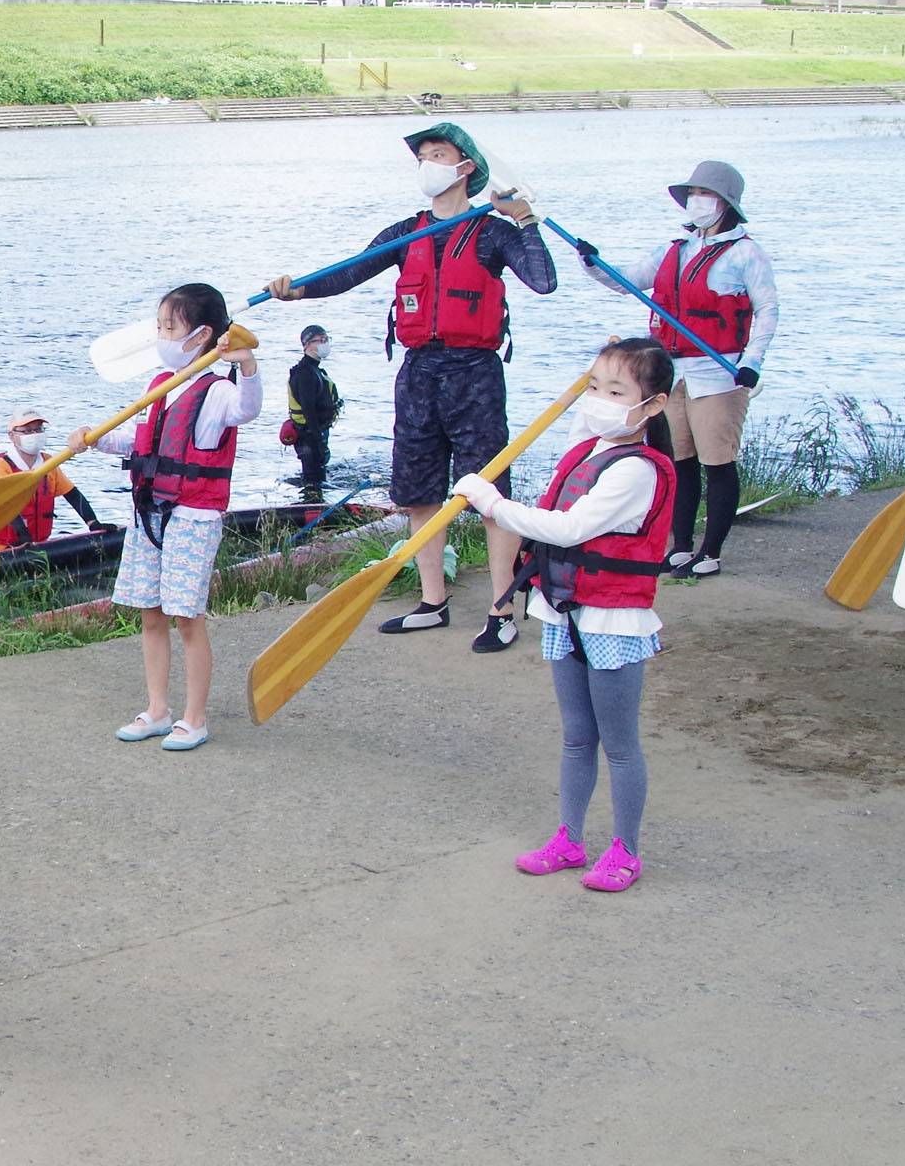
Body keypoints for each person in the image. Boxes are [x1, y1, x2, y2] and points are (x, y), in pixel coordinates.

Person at [266, 122, 555, 651]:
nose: (427, 164)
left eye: (437, 154)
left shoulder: (493, 232)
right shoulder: (407, 231)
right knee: (418, 493)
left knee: (489, 494)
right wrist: (296, 290)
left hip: (475, 375)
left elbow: (543, 280)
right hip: (418, 372)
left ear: (465, 167)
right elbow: (347, 273)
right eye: (422, 156)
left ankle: (501, 609)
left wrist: (528, 221)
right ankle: (432, 601)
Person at [461, 337, 677, 895]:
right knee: (577, 738)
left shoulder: (638, 472)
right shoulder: (589, 449)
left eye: (617, 391)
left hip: (613, 623)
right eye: (595, 388)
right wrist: (600, 368)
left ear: (652, 406)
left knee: (619, 742)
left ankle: (627, 850)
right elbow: (584, 422)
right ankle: (570, 838)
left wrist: (491, 501)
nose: (600, 400)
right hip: (565, 611)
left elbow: (569, 529)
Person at [572, 160, 780, 578]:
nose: (695, 202)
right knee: (679, 461)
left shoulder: (747, 253)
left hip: (719, 373)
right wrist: (592, 262)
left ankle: (712, 551)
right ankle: (681, 546)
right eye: (691, 195)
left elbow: (767, 310)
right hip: (672, 371)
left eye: (704, 195)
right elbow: (626, 280)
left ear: (725, 204)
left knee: (717, 462)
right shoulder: (674, 249)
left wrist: (751, 364)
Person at [87, 284, 260, 752]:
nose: (160, 335)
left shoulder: (218, 389)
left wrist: (246, 363)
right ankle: (158, 709)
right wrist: (95, 439)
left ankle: (194, 718)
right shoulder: (159, 386)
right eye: (159, 326)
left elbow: (249, 409)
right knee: (150, 612)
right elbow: (139, 441)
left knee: (187, 618)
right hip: (149, 512)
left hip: (193, 516)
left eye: (170, 327)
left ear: (201, 335)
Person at [0, 410, 102, 549]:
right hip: (4, 546)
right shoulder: (2, 465)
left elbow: (72, 494)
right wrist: (23, 536)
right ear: (12, 436)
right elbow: (3, 504)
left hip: (40, 542)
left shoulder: (48, 462)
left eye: (38, 429)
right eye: (27, 431)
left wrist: (93, 523)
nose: (34, 435)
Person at [284, 323, 341, 492]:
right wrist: (318, 440)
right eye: (321, 340)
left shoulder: (316, 370)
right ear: (308, 345)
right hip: (308, 435)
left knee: (319, 477)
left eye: (327, 339)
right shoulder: (304, 374)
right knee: (312, 481)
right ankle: (311, 510)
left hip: (316, 432)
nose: (325, 344)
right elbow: (308, 409)